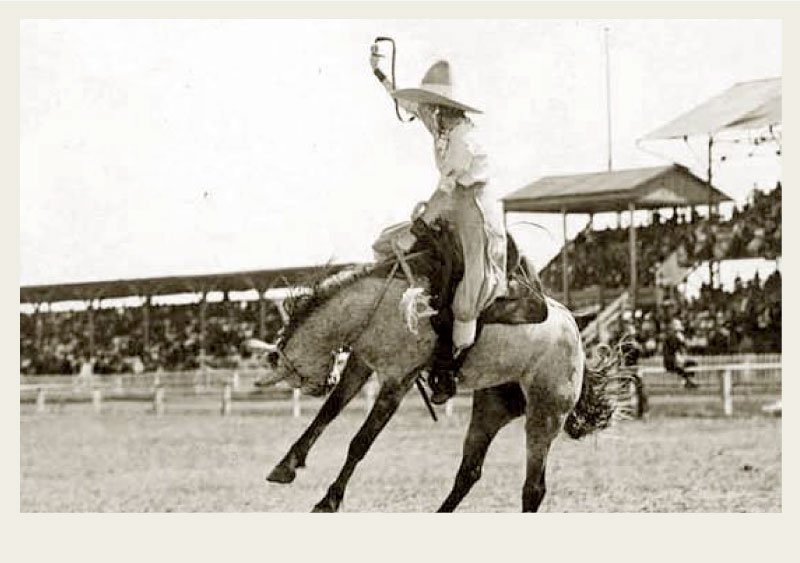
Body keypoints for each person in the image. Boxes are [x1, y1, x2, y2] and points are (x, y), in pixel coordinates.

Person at [369, 52, 508, 404]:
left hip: (476, 214)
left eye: (430, 105)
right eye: (426, 105)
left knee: (467, 293)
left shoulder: (462, 139)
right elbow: (406, 104)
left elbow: (446, 193)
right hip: (449, 210)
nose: (425, 111)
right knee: (386, 244)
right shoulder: (439, 124)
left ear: (444, 108)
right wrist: (380, 74)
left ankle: (450, 367)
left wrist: (416, 229)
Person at [662, 318, 698, 389]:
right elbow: (674, 350)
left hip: (675, 360)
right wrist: (681, 341)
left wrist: (682, 341)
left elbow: (683, 348)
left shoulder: (676, 337)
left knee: (692, 363)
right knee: (683, 365)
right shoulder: (671, 337)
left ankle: (688, 381)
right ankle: (688, 381)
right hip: (670, 361)